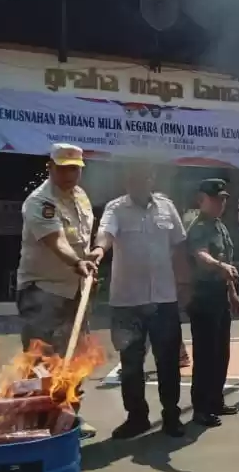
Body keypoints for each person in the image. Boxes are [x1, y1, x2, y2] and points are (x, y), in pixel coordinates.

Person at [92, 163, 188, 439]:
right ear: (126, 181)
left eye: (143, 178)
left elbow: (179, 244)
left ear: (151, 179)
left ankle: (172, 416)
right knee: (131, 363)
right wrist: (98, 251)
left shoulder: (166, 207)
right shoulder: (115, 208)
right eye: (132, 179)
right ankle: (137, 418)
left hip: (164, 298)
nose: (137, 184)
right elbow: (106, 234)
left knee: (168, 362)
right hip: (127, 301)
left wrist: (183, 284)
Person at [16, 143, 98, 438]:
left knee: (75, 359)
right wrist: (78, 262)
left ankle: (68, 417)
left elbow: (81, 240)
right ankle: (37, 425)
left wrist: (87, 262)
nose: (69, 174)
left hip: (77, 290)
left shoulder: (80, 197)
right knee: (41, 362)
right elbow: (56, 241)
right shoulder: (40, 201)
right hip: (43, 291)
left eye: (75, 168)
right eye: (63, 167)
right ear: (50, 166)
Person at [185, 178, 239, 428]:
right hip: (203, 297)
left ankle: (216, 400)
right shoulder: (198, 226)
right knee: (206, 356)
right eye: (216, 199)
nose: (221, 203)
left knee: (221, 353)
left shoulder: (220, 226)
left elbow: (227, 263)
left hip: (220, 296)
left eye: (224, 199)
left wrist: (232, 292)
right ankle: (201, 408)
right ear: (201, 200)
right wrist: (219, 267)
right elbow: (200, 254)